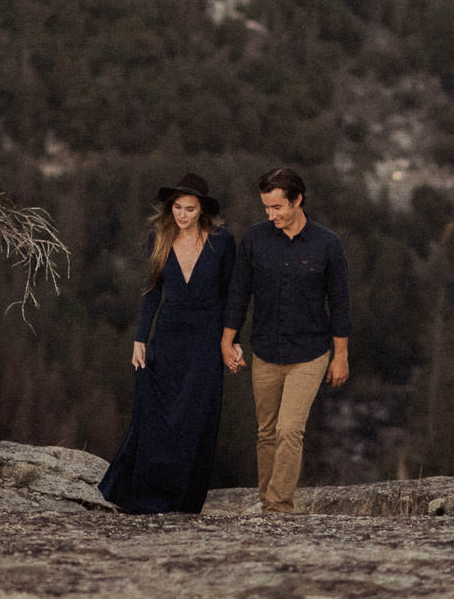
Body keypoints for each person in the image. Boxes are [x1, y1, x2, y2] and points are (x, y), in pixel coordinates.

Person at [99, 172, 236, 515]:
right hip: (168, 337)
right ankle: (145, 496)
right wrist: (140, 338)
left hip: (206, 342)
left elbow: (232, 297)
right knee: (157, 416)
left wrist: (230, 340)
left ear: (202, 210)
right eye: (177, 207)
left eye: (189, 208)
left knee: (196, 419)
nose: (182, 214)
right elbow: (152, 292)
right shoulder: (158, 239)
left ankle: (185, 501)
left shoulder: (222, 242)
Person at [222, 167, 351, 514]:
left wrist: (341, 355)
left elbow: (339, 303)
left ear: (297, 200)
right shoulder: (255, 240)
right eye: (266, 208)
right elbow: (239, 292)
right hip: (265, 349)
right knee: (266, 432)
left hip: (310, 353)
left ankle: (279, 507)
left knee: (289, 429)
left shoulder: (327, 244)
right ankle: (267, 503)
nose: (271, 215)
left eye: (277, 207)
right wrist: (227, 339)